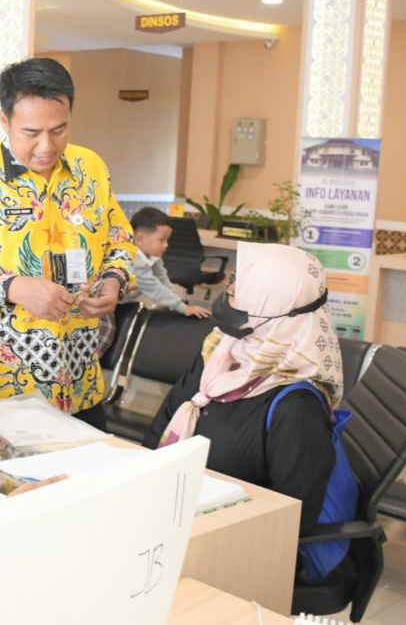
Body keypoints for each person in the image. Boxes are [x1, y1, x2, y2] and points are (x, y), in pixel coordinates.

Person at [0, 58, 135, 429]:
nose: (46, 146)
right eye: (31, 132)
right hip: (6, 388)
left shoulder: (91, 168)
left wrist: (115, 279)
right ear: (5, 121)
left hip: (82, 379)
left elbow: (120, 240)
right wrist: (12, 288)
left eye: (59, 129)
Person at [144, 242, 355, 580]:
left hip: (237, 548)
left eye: (241, 286)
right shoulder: (220, 356)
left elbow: (288, 520)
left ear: (274, 305)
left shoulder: (296, 407)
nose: (228, 291)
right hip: (173, 526)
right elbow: (157, 433)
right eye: (233, 281)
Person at [123, 207, 211, 318]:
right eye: (161, 240)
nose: (166, 245)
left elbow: (162, 279)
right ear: (140, 239)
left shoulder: (154, 258)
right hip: (98, 304)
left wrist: (177, 304)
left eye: (167, 239)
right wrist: (183, 308)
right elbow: (153, 288)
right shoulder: (133, 260)